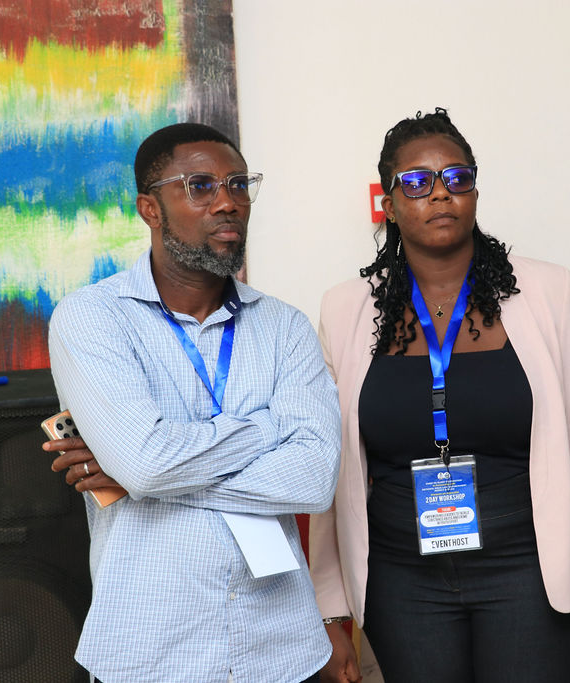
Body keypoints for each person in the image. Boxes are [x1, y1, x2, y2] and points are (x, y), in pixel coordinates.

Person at [308, 109, 570, 683]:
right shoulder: (345, 308)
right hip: (401, 580)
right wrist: (330, 611)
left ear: (474, 191)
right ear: (389, 204)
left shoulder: (546, 291)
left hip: (529, 570)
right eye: (416, 182)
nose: (439, 193)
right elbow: (330, 469)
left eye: (457, 177)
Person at [43, 122, 341, 683]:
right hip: (152, 649)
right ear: (149, 209)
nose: (227, 202)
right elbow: (148, 465)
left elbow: (313, 480)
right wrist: (267, 429)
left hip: (281, 648)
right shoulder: (92, 318)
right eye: (200, 186)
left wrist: (139, 477)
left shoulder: (286, 327)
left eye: (238, 184)